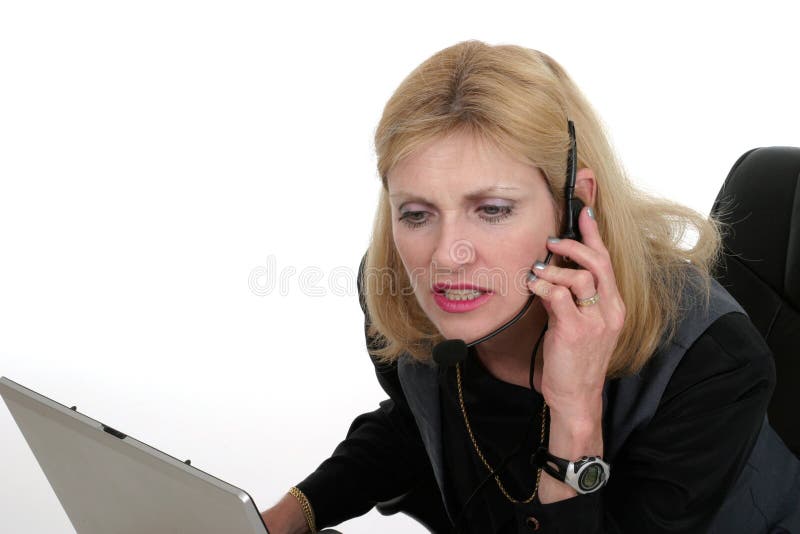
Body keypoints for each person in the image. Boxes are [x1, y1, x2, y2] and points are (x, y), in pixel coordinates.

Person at [261, 41, 800, 533]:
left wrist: (576, 413)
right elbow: (418, 422)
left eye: (492, 210)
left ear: (576, 203)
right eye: (418, 214)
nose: (447, 256)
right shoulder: (403, 290)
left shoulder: (712, 367)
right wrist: (286, 517)